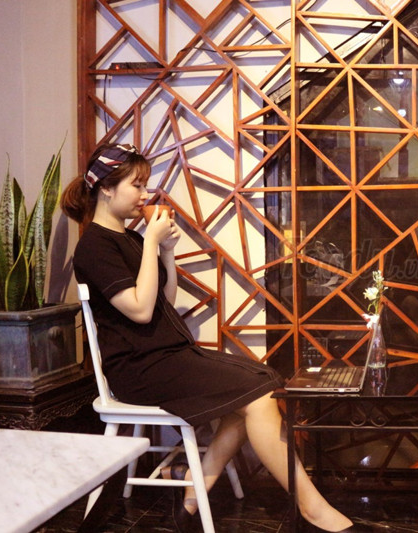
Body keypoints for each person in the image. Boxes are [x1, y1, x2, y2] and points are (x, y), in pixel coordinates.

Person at [61, 143, 368, 533]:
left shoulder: (132, 239)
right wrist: (152, 241)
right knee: (259, 393)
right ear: (106, 188)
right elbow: (139, 310)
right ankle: (312, 511)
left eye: (144, 185)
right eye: (136, 185)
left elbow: (162, 300)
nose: (144, 194)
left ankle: (195, 488)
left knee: (263, 382)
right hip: (138, 368)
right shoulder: (94, 246)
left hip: (168, 355)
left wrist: (166, 251)